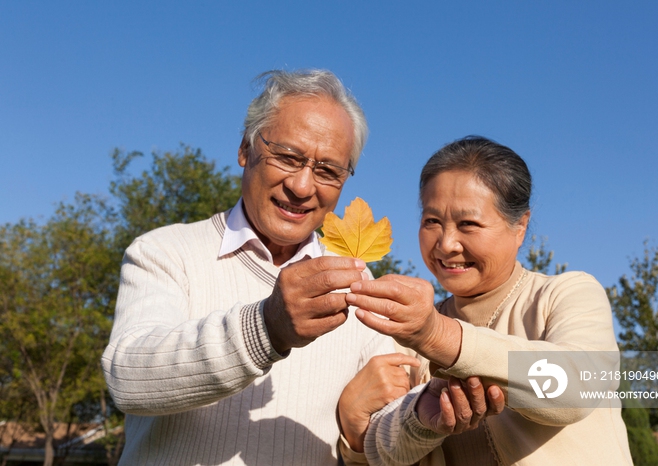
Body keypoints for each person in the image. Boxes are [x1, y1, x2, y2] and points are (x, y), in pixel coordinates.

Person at [101, 70, 494, 466]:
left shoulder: (357, 281)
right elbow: (127, 379)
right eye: (287, 157)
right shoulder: (165, 252)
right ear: (245, 149)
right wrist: (266, 328)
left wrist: (422, 418)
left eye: (327, 170)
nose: (303, 186)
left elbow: (373, 439)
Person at [339, 136, 633, 465]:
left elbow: (576, 389)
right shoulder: (403, 342)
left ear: (519, 226)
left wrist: (438, 336)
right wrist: (421, 420)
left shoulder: (567, 294)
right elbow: (378, 452)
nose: (446, 244)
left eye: (469, 224)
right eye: (431, 221)